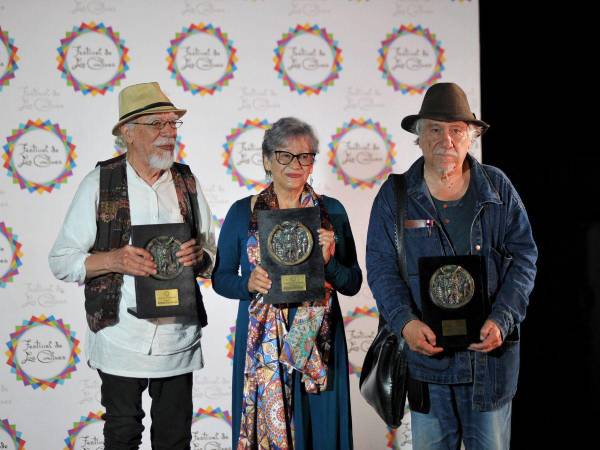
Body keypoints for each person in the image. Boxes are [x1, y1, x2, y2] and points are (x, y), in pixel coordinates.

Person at [366, 83, 537, 450]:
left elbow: (525, 258)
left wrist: (502, 319)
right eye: (435, 129)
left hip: (489, 367)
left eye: (456, 130)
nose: (447, 139)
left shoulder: (498, 188)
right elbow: (380, 267)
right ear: (420, 137)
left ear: (470, 136)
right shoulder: (394, 196)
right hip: (428, 370)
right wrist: (406, 323)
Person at [48, 82, 216, 450]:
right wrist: (113, 260)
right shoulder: (99, 182)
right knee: (122, 436)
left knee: (175, 440)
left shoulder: (187, 182)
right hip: (119, 337)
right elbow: (61, 261)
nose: (169, 133)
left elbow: (211, 254)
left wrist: (199, 257)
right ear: (128, 132)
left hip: (178, 340)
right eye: (158, 124)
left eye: (173, 125)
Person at [212, 117, 362, 450]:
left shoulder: (331, 211)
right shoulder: (242, 212)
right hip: (263, 345)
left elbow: (352, 282)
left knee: (320, 430)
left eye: (305, 156)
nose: (296, 164)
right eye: (285, 155)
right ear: (267, 159)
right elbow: (220, 278)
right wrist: (248, 283)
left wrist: (329, 264)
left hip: (317, 342)